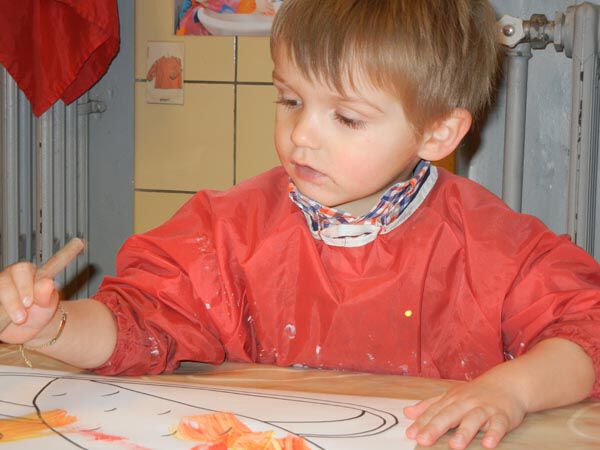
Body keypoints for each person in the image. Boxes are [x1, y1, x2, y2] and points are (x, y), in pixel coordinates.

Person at [1, 1, 599, 448]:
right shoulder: (227, 231)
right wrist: (51, 325)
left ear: (438, 132)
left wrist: (510, 390)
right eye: (290, 101)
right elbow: (139, 326)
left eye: (347, 117)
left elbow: (583, 335)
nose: (302, 136)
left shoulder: (490, 246)